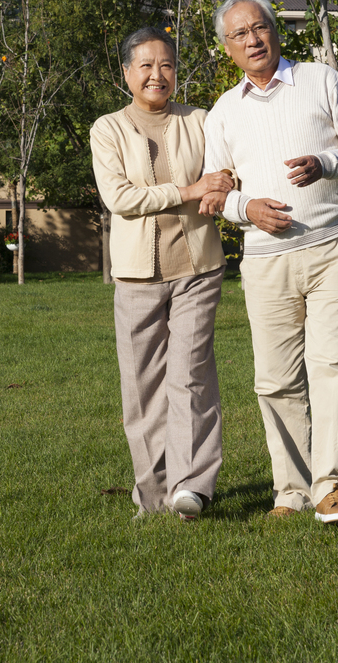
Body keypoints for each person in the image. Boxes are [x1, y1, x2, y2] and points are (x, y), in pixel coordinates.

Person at [201, 0, 338, 524]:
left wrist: (327, 162)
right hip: (264, 261)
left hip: (332, 249)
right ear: (226, 48)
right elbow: (216, 195)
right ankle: (293, 490)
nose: (253, 39)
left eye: (260, 28)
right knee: (275, 379)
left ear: (276, 32)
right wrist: (247, 207)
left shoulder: (321, 80)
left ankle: (334, 488)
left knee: (334, 365)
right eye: (240, 34)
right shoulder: (223, 114)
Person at [90, 26, 233, 521]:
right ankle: (151, 497)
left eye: (167, 65)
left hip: (198, 268)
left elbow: (228, 170)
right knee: (142, 387)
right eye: (145, 65)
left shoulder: (202, 120)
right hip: (135, 276)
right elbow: (121, 198)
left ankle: (191, 488)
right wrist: (191, 190)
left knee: (190, 378)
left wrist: (219, 187)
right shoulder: (107, 128)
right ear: (127, 73)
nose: (157, 74)